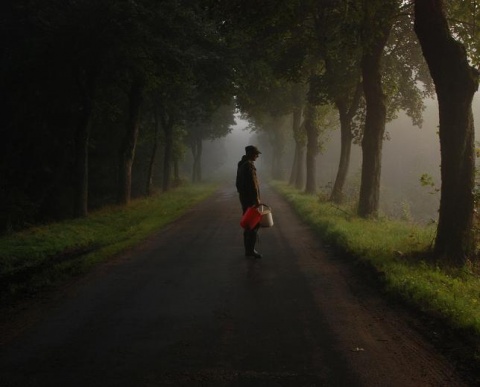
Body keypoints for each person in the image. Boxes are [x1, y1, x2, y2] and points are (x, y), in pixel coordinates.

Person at [236, 145, 262, 258]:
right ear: (250, 153)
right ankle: (250, 251)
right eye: (256, 153)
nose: (257, 156)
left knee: (248, 224)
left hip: (244, 198)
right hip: (250, 200)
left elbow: (238, 184)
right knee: (253, 224)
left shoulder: (241, 164)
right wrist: (256, 200)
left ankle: (248, 250)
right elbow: (253, 185)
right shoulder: (249, 166)